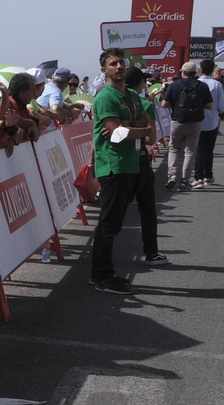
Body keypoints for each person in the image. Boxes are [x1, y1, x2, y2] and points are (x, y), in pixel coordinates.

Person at [89, 48, 156, 294]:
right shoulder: (105, 97)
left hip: (131, 165)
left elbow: (140, 125)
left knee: (115, 224)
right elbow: (117, 135)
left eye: (121, 63)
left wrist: (129, 127)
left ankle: (105, 273)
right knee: (109, 224)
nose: (119, 67)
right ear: (104, 70)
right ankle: (101, 275)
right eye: (113, 63)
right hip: (113, 166)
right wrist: (133, 128)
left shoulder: (130, 95)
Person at [125, 66, 167, 266]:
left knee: (114, 213)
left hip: (119, 162)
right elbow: (151, 139)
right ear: (139, 83)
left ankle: (102, 262)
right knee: (147, 210)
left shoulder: (115, 101)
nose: (146, 84)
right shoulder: (144, 105)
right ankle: (151, 252)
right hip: (140, 159)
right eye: (144, 80)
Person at [160, 59, 209, 190]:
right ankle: (185, 180)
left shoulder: (175, 85)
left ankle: (172, 176)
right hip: (196, 122)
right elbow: (210, 105)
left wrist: (175, 105)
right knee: (190, 151)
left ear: (183, 72)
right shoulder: (202, 86)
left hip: (178, 120)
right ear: (195, 73)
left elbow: (164, 104)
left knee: (174, 149)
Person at [193, 61, 224, 187]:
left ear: (200, 69)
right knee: (209, 149)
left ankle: (198, 177)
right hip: (212, 120)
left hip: (195, 119)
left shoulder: (196, 83)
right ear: (212, 70)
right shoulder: (216, 84)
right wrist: (220, 112)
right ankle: (208, 175)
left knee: (198, 149)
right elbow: (222, 105)